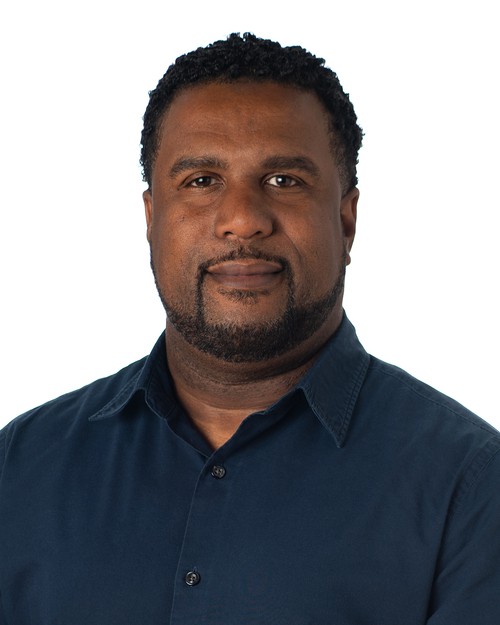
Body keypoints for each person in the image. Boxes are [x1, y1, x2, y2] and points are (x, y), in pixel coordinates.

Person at [0, 33, 499, 624]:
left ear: (346, 221)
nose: (242, 219)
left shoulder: (471, 487)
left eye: (284, 180)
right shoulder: (20, 467)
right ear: (151, 218)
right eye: (201, 180)